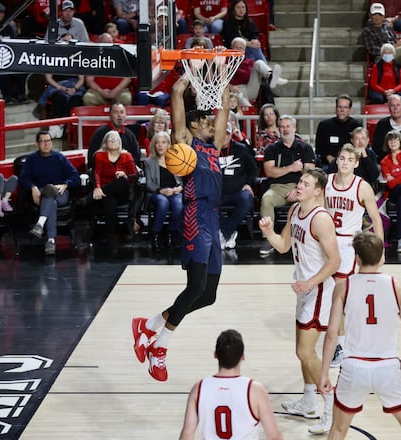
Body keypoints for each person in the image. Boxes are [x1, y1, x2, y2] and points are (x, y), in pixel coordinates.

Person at [131, 76, 230, 382]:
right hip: (194, 215)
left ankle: (148, 325)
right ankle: (159, 347)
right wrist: (188, 73)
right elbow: (176, 93)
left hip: (213, 219)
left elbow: (224, 104)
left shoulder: (213, 145)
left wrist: (222, 68)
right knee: (196, 286)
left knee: (209, 294)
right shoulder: (184, 144)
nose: (213, 124)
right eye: (207, 121)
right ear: (195, 124)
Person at [319, 231, 401, 440]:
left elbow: (332, 335)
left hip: (353, 368)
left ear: (357, 258)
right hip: (387, 368)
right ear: (382, 257)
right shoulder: (396, 286)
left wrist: (324, 372)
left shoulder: (343, 287)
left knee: (337, 430)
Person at [258, 168, 341, 435]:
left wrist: (311, 283)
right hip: (305, 288)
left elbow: (335, 262)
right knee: (303, 352)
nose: (300, 186)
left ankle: (331, 403)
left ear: (318, 191)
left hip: (318, 290)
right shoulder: (295, 212)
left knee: (305, 352)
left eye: (306, 183)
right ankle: (308, 401)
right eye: (300, 182)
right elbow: (283, 245)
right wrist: (269, 232)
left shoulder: (321, 219)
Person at [325, 144, 384, 369]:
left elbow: (376, 220)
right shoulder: (327, 182)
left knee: (340, 297)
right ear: (337, 160)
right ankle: (341, 340)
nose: (345, 162)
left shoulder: (362, 187)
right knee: (329, 295)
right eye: (342, 158)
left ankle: (341, 344)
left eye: (350, 159)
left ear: (356, 163)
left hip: (349, 243)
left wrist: (380, 250)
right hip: (328, 240)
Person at [179, 329, 283, 440]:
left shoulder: (199, 388)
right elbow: (273, 436)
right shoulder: (255, 389)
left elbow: (187, 435)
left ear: (215, 355)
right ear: (243, 356)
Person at [258, 115, 316, 257]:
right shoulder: (271, 148)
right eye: (282, 127)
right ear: (278, 129)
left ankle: (312, 238)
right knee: (267, 199)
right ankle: (269, 238)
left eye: (288, 126)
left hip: (301, 186)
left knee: (314, 198)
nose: (285, 129)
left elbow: (310, 174)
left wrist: (298, 189)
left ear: (294, 128)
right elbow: (270, 171)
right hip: (278, 187)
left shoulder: (306, 147)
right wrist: (291, 168)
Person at [18, 130, 81, 255]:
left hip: (61, 192)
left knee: (50, 190)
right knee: (51, 200)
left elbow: (75, 177)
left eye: (48, 141)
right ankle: (51, 241)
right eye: (43, 141)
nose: (46, 144)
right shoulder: (32, 159)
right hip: (41, 194)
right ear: (37, 144)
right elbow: (23, 178)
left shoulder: (60, 158)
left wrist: (65, 184)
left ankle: (40, 224)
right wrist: (33, 187)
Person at [84, 130, 137, 246]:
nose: (113, 141)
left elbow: (134, 176)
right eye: (110, 139)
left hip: (122, 192)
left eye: (115, 139)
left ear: (120, 142)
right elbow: (96, 173)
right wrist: (97, 187)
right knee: (109, 200)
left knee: (122, 181)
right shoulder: (99, 155)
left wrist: (125, 175)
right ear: (105, 143)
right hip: (105, 192)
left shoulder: (126, 156)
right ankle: (110, 237)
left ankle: (91, 198)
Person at [220, 121, 258, 250]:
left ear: (230, 135)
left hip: (238, 191)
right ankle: (229, 234)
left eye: (226, 134)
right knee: (206, 200)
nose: (223, 136)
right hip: (218, 192)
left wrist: (248, 184)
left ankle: (225, 233)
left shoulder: (241, 149)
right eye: (221, 133)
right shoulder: (211, 149)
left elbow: (253, 169)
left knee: (247, 199)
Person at [144, 131, 183, 250]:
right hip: (157, 193)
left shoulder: (177, 160)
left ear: (169, 145)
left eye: (163, 142)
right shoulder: (149, 162)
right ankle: (155, 234)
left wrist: (179, 188)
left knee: (178, 204)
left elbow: (183, 181)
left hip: (174, 191)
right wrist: (161, 191)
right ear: (154, 146)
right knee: (163, 202)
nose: (160, 145)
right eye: (157, 143)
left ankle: (171, 233)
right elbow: (149, 184)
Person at [228, 37, 286, 108]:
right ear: (231, 48)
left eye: (241, 48)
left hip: (249, 88)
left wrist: (233, 69)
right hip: (233, 91)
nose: (238, 50)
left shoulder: (249, 61)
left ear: (244, 50)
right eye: (236, 47)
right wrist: (229, 86)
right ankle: (253, 114)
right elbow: (218, 79)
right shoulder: (225, 60)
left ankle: (271, 77)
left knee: (259, 63)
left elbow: (247, 76)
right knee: (237, 95)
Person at [363, 3, 401, 69]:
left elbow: (394, 41)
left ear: (383, 16)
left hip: (394, 53)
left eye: (379, 15)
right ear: (370, 16)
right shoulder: (367, 31)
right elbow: (372, 51)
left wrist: (400, 44)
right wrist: (392, 47)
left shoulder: (387, 27)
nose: (377, 17)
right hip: (380, 56)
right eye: (375, 15)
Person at [315, 94, 362, 172]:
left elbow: (359, 147)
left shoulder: (356, 126)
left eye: (345, 107)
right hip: (328, 164)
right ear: (336, 109)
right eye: (339, 107)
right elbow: (319, 148)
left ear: (350, 110)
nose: (342, 110)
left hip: (350, 164)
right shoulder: (324, 125)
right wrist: (329, 157)